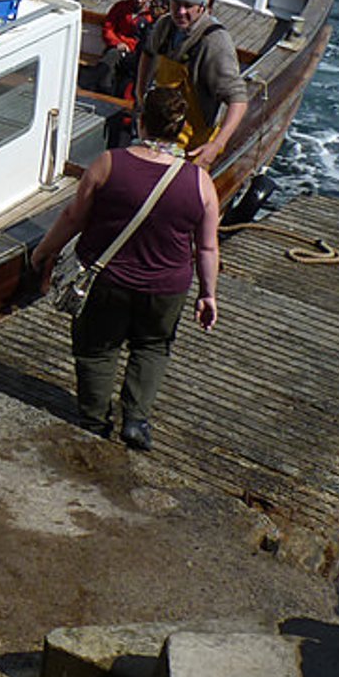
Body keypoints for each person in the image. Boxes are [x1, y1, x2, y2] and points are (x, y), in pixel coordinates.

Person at [27, 88, 219, 450]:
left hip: (106, 278)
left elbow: (73, 217)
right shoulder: (199, 182)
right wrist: (208, 293)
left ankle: (95, 421)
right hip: (166, 287)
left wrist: (44, 251)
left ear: (141, 121)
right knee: (152, 346)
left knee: (98, 348)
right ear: (179, 130)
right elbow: (207, 246)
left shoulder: (108, 163)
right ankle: (135, 420)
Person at [134, 0, 248, 167]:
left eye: (188, 6)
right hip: (158, 135)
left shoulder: (214, 42)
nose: (180, 12)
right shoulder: (164, 26)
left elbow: (238, 100)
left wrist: (217, 144)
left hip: (192, 145)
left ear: (202, 6)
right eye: (176, 4)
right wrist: (140, 92)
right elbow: (148, 52)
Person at [87, 0, 157, 99]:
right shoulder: (121, 7)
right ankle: (104, 91)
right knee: (110, 58)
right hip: (117, 48)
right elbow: (108, 28)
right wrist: (117, 43)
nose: (139, 0)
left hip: (137, 53)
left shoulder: (152, 16)